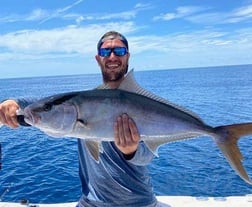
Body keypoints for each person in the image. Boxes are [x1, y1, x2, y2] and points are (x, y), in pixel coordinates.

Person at [0, 31, 166, 207]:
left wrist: (131, 150)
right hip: (90, 203)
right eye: (105, 52)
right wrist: (12, 102)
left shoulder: (145, 106)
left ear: (128, 56)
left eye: (119, 51)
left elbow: (147, 155)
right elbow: (45, 104)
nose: (112, 56)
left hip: (139, 203)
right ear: (97, 58)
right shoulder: (84, 101)